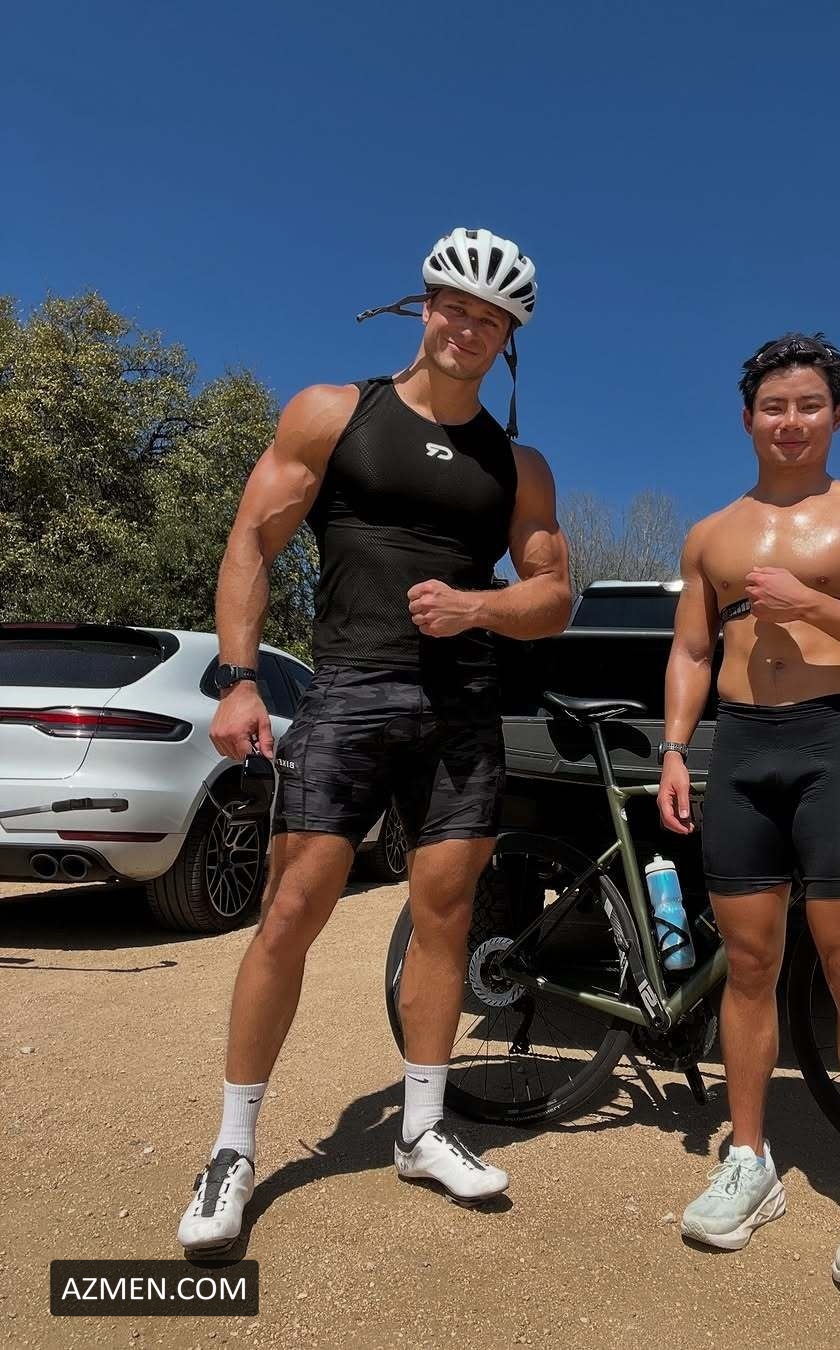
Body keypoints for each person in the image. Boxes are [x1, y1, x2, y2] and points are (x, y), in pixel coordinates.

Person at [177, 227, 572, 1251]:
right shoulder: (333, 411)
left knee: (445, 916)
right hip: (350, 688)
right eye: (455, 308)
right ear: (423, 306)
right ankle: (232, 1148)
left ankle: (422, 1129)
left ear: (508, 340)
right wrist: (238, 678)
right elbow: (251, 540)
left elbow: (553, 595)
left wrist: (480, 607)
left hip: (462, 710)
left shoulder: (518, 464)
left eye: (490, 321)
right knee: (291, 909)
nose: (467, 329)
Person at [657, 332, 840, 1295]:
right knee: (747, 966)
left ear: (837, 415)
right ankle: (750, 1161)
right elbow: (692, 651)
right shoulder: (710, 534)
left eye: (809, 405)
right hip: (740, 748)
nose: (791, 421)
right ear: (747, 418)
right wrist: (675, 749)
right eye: (774, 406)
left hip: (833, 743)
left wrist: (810, 605)